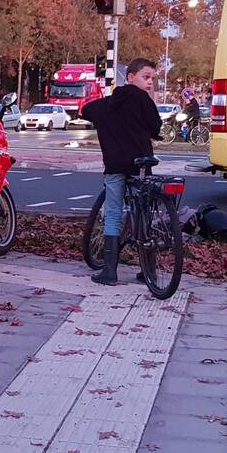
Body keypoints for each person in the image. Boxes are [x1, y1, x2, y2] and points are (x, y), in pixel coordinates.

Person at [81, 58, 162, 286]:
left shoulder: (105, 105)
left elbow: (86, 110)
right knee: (143, 212)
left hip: (115, 165)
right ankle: (149, 271)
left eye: (152, 79)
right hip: (139, 165)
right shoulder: (143, 100)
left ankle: (109, 271)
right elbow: (156, 127)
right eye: (146, 77)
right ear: (131, 77)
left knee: (113, 214)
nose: (150, 83)